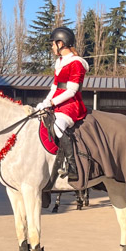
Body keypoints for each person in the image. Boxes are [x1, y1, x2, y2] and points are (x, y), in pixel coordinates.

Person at [35, 27, 89, 182]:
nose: (52, 47)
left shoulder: (76, 63)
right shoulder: (59, 62)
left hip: (70, 104)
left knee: (58, 126)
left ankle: (73, 166)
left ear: (61, 43)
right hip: (57, 102)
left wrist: (52, 102)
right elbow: (54, 87)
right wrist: (45, 102)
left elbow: (72, 90)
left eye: (53, 44)